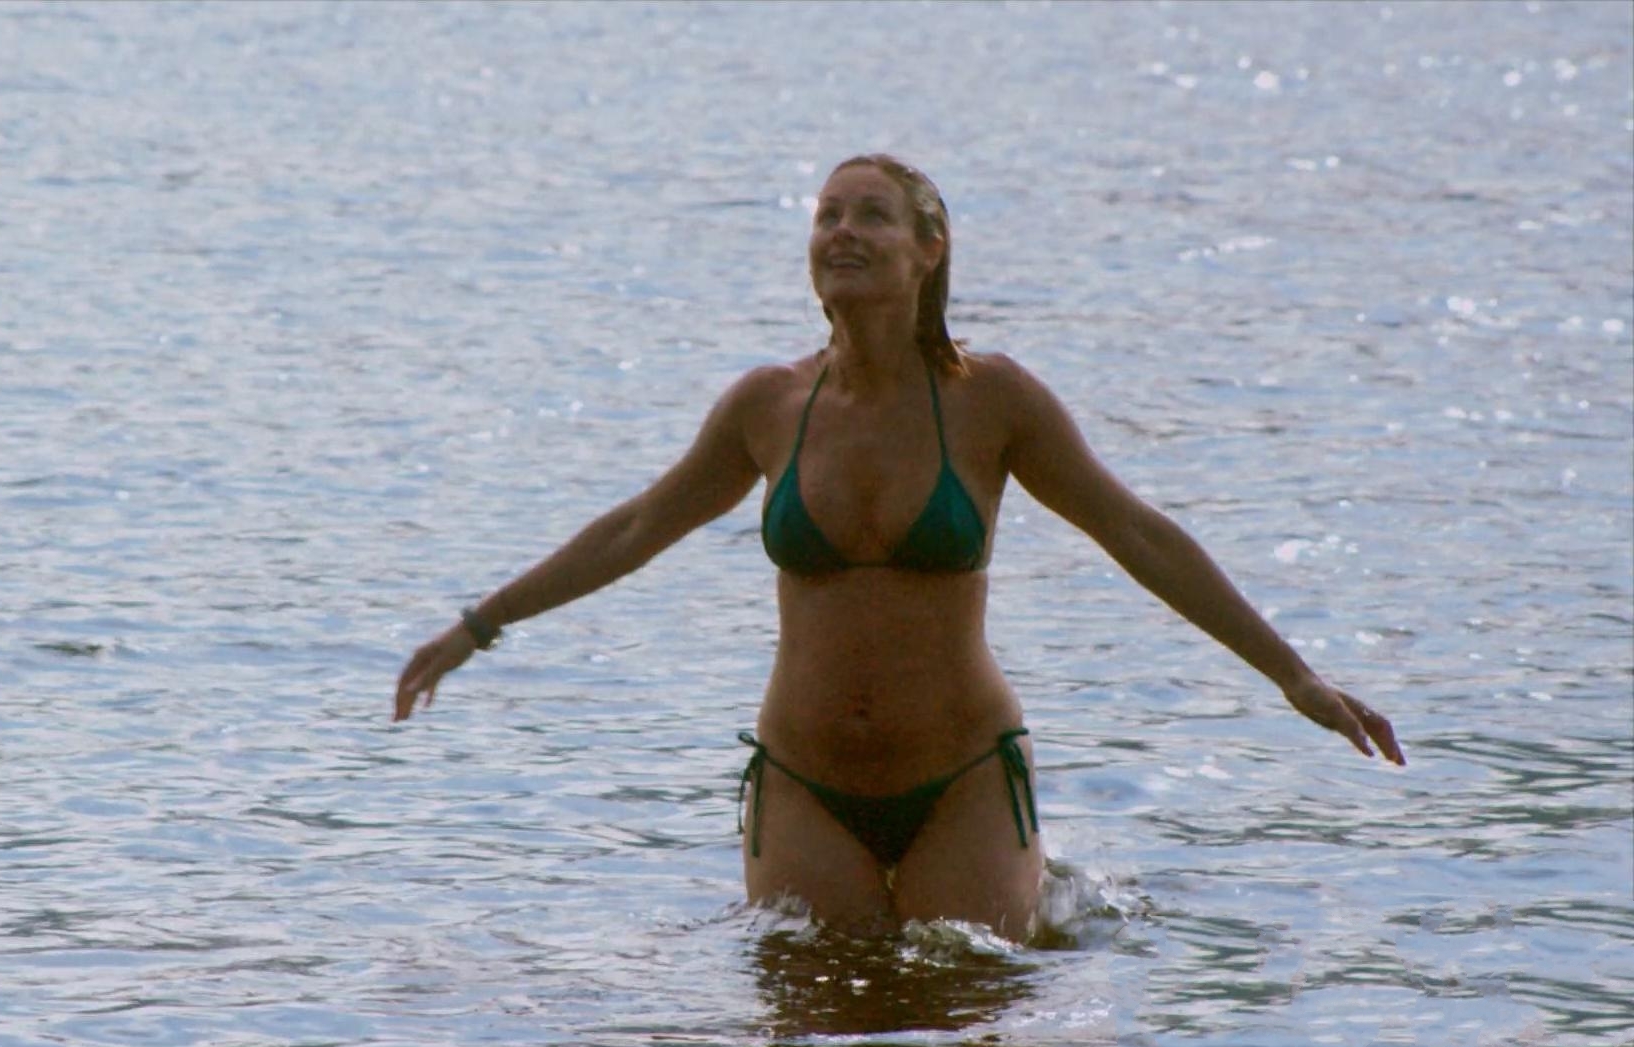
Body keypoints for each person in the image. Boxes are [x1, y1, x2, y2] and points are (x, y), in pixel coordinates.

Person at [393, 154, 1405, 943]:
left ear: (929, 248)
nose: (841, 231)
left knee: (963, 1011)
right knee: (802, 1020)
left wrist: (1293, 675)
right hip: (804, 780)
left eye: (870, 214)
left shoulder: (993, 400)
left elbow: (1135, 532)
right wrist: (478, 626)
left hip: (962, 776)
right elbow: (633, 527)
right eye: (826, 215)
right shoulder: (767, 405)